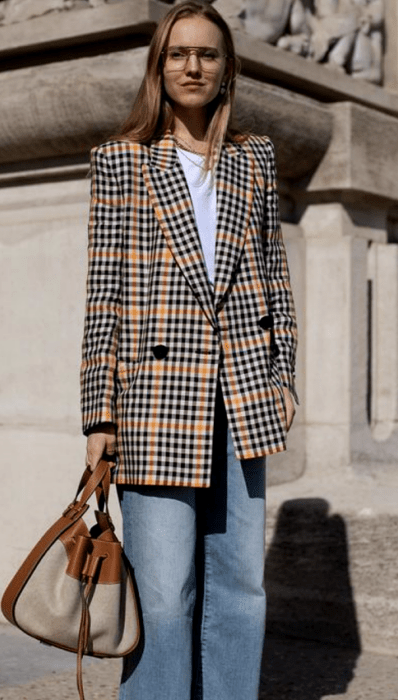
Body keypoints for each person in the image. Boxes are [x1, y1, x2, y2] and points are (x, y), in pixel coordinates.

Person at [80, 2, 298, 698]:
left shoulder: (253, 160)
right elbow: (103, 299)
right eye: (178, 54)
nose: (193, 66)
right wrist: (98, 416)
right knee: (166, 594)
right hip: (155, 401)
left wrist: (283, 371)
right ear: (159, 67)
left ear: (227, 68)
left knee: (239, 585)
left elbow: (274, 277)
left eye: (207, 54)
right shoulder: (122, 162)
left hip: (241, 395)